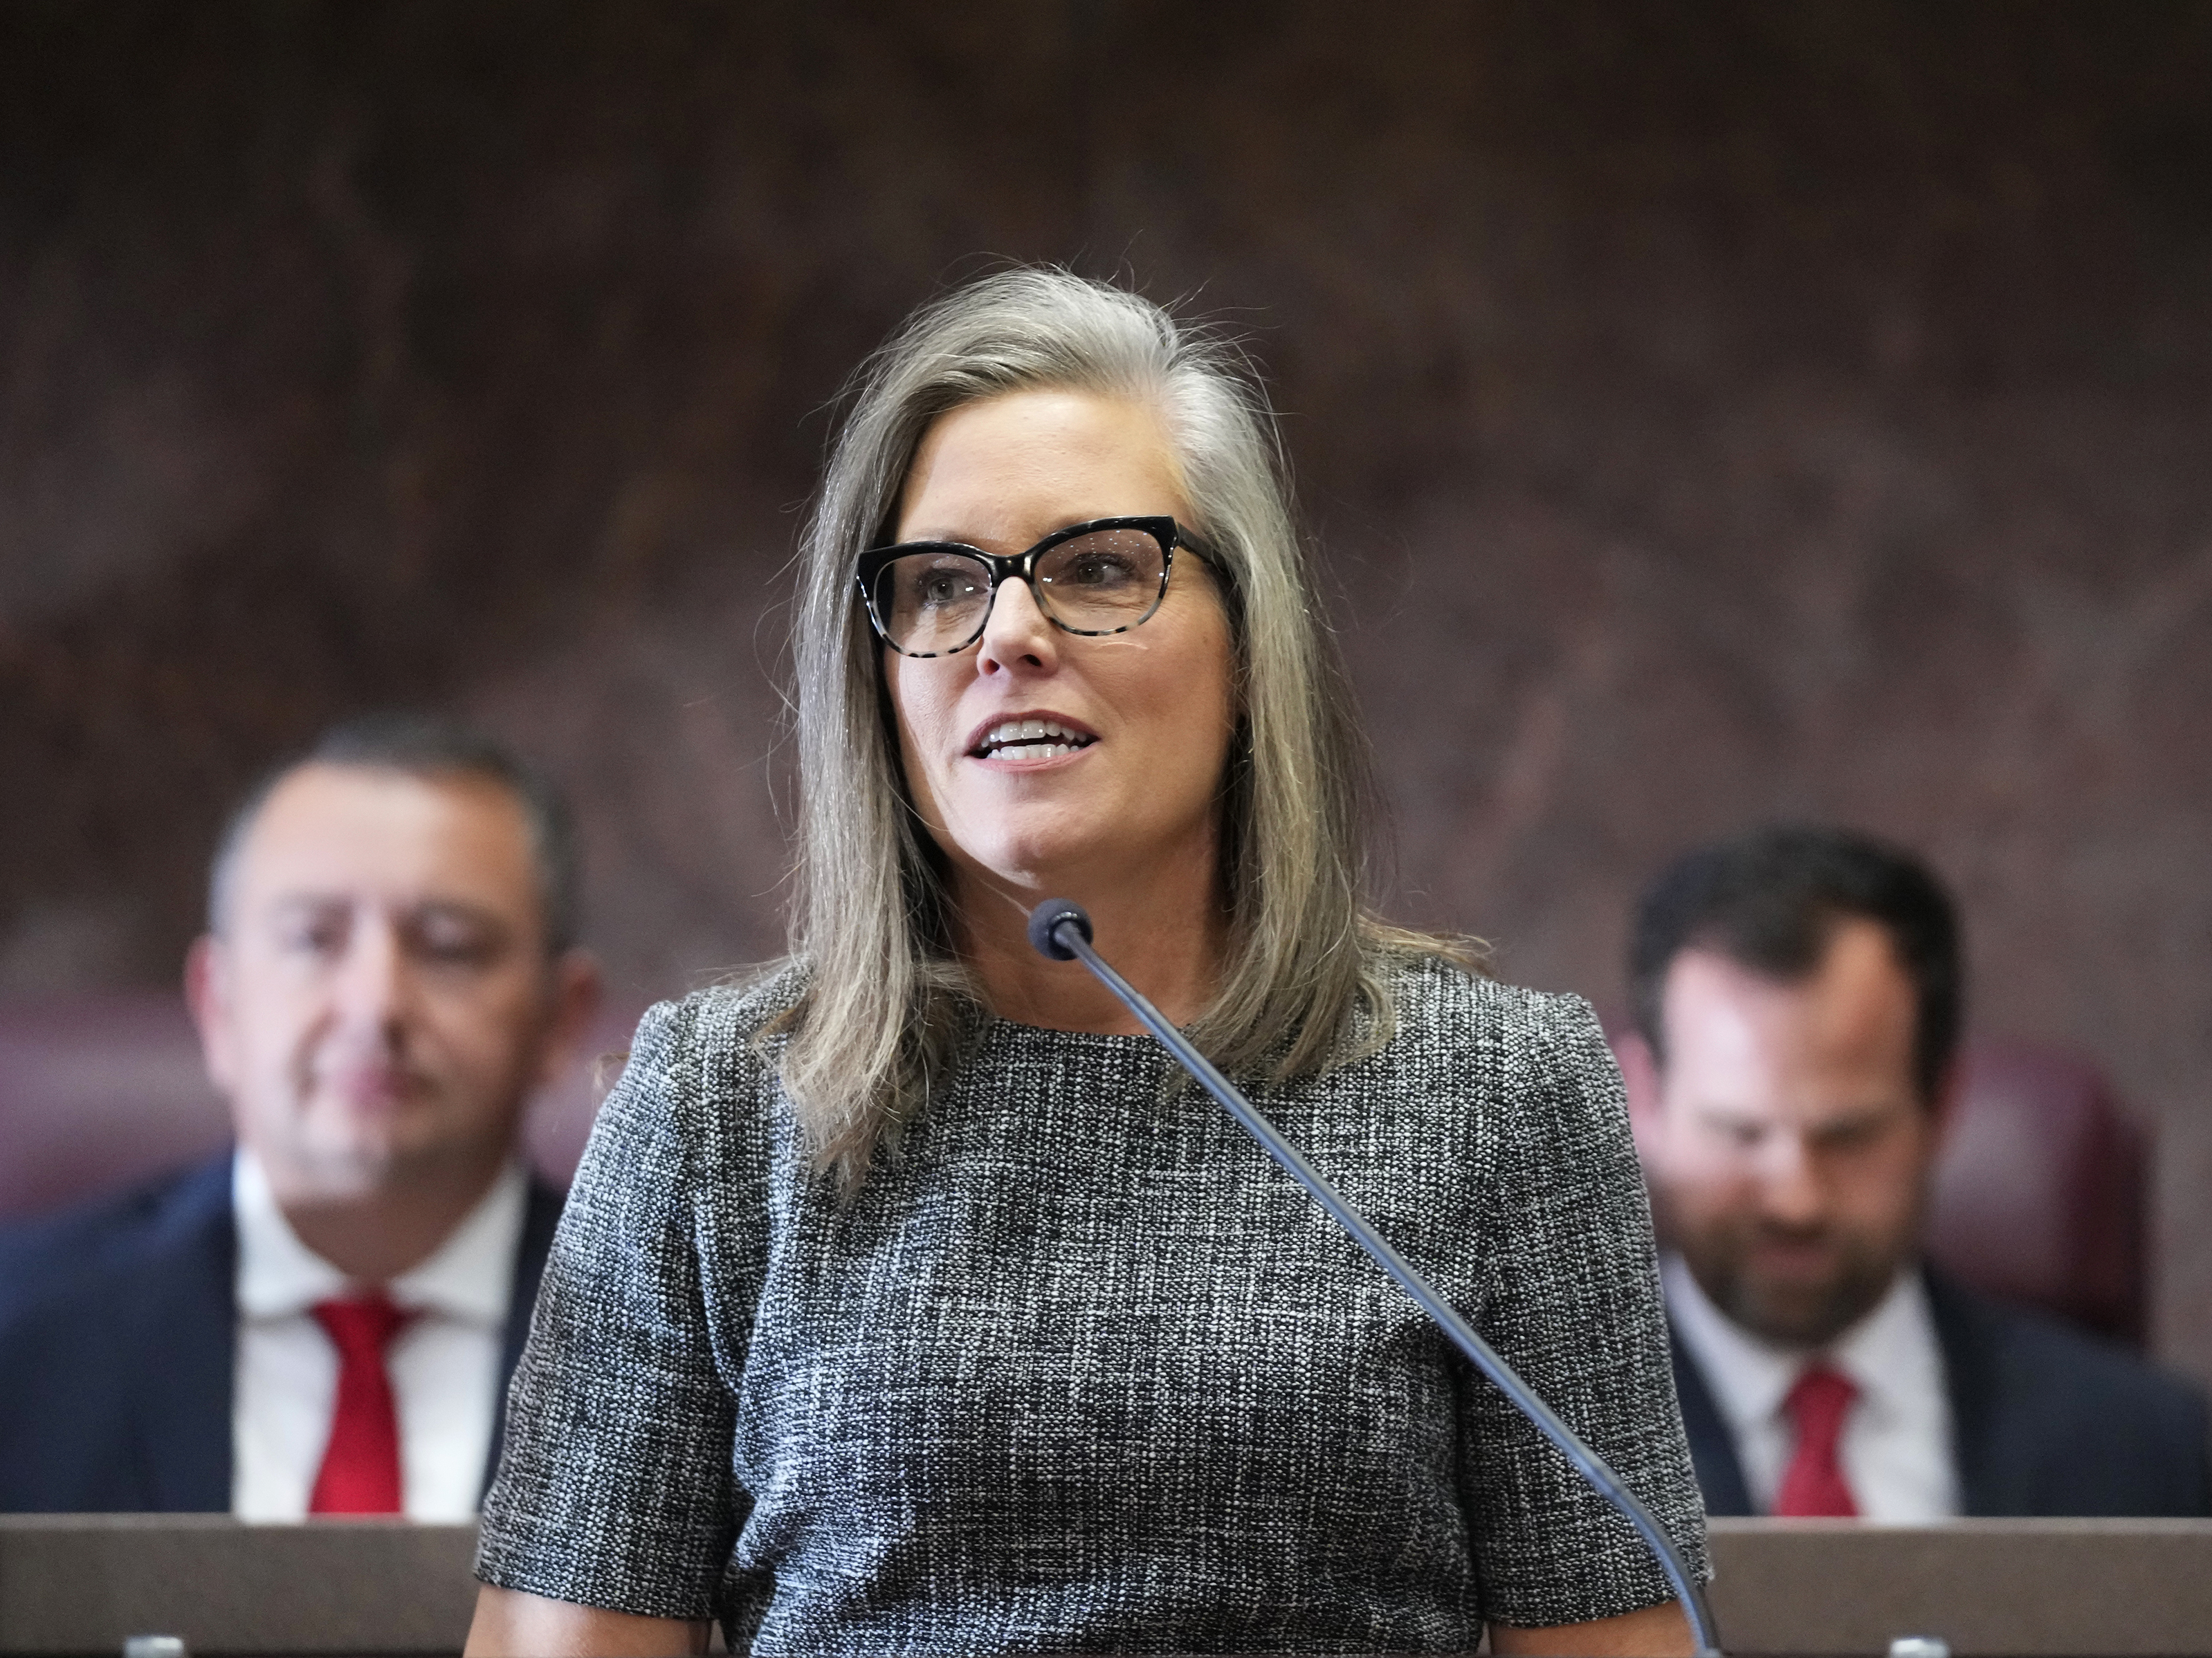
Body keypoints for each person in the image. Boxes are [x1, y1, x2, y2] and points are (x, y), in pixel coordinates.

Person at [466, 270, 1708, 1658]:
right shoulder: (713, 1099)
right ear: (874, 678)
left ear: (1250, 642)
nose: (1007, 636)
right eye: (939, 585)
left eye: (1098, 569)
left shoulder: (1499, 1090)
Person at [0, 716, 601, 1518]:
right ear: (217, 1005)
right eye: (314, 939)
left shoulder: (683, 1350)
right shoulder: (25, 1327)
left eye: (450, 946)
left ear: (561, 1019)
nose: (375, 1005)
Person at [1620, 824, 2210, 1520]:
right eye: (1738, 1133)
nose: (1795, 1201)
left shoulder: (2153, 1452)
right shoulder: (1503, 1460)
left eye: (1848, 1136)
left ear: (1941, 1105)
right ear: (1642, 1099)